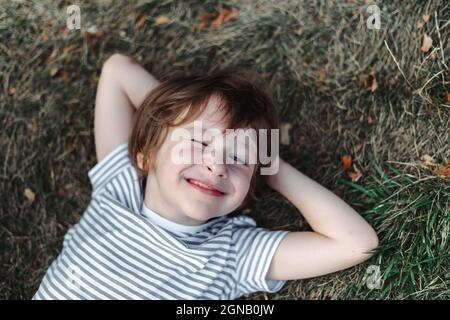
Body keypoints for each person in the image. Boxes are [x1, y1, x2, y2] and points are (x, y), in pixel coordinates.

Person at [33, 53, 378, 299]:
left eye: (240, 157)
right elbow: (118, 71)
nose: (217, 165)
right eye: (198, 141)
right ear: (147, 154)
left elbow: (356, 244)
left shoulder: (232, 254)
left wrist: (271, 166)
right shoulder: (117, 187)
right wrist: (162, 120)